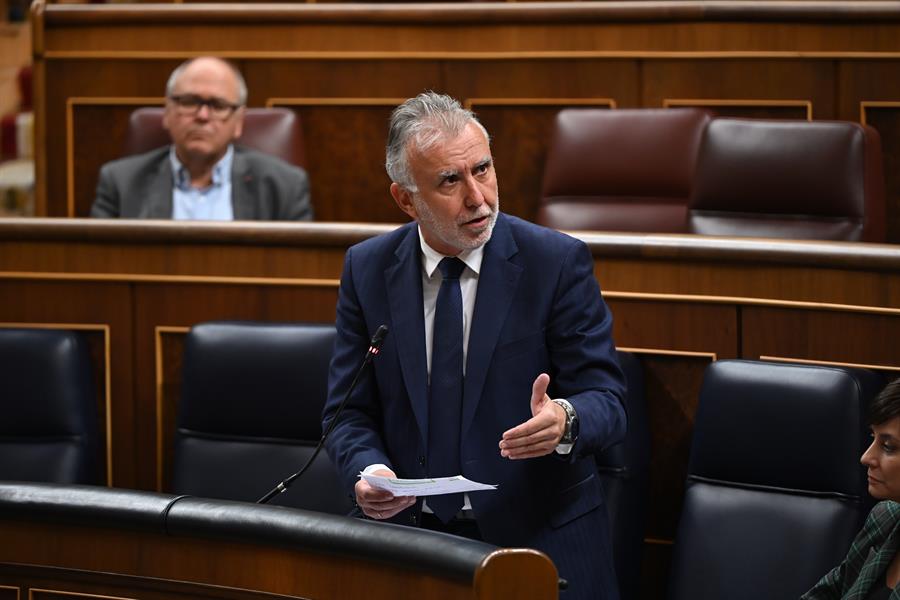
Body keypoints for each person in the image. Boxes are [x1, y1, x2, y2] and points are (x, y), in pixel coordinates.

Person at [322, 92, 626, 600]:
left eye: (482, 170)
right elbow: (347, 412)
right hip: (409, 545)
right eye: (450, 181)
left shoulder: (555, 263)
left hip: (538, 541)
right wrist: (369, 471)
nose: (478, 198)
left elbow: (609, 401)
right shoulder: (367, 269)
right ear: (405, 199)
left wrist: (566, 420)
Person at [90, 57, 312, 220]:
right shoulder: (120, 183)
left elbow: (297, 272)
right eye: (189, 101)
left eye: (218, 106)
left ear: (239, 122)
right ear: (167, 112)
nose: (203, 116)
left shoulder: (284, 187)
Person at [802, 377, 900, 600]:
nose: (866, 457)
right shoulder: (885, 519)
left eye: (888, 446)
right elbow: (826, 594)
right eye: (872, 438)